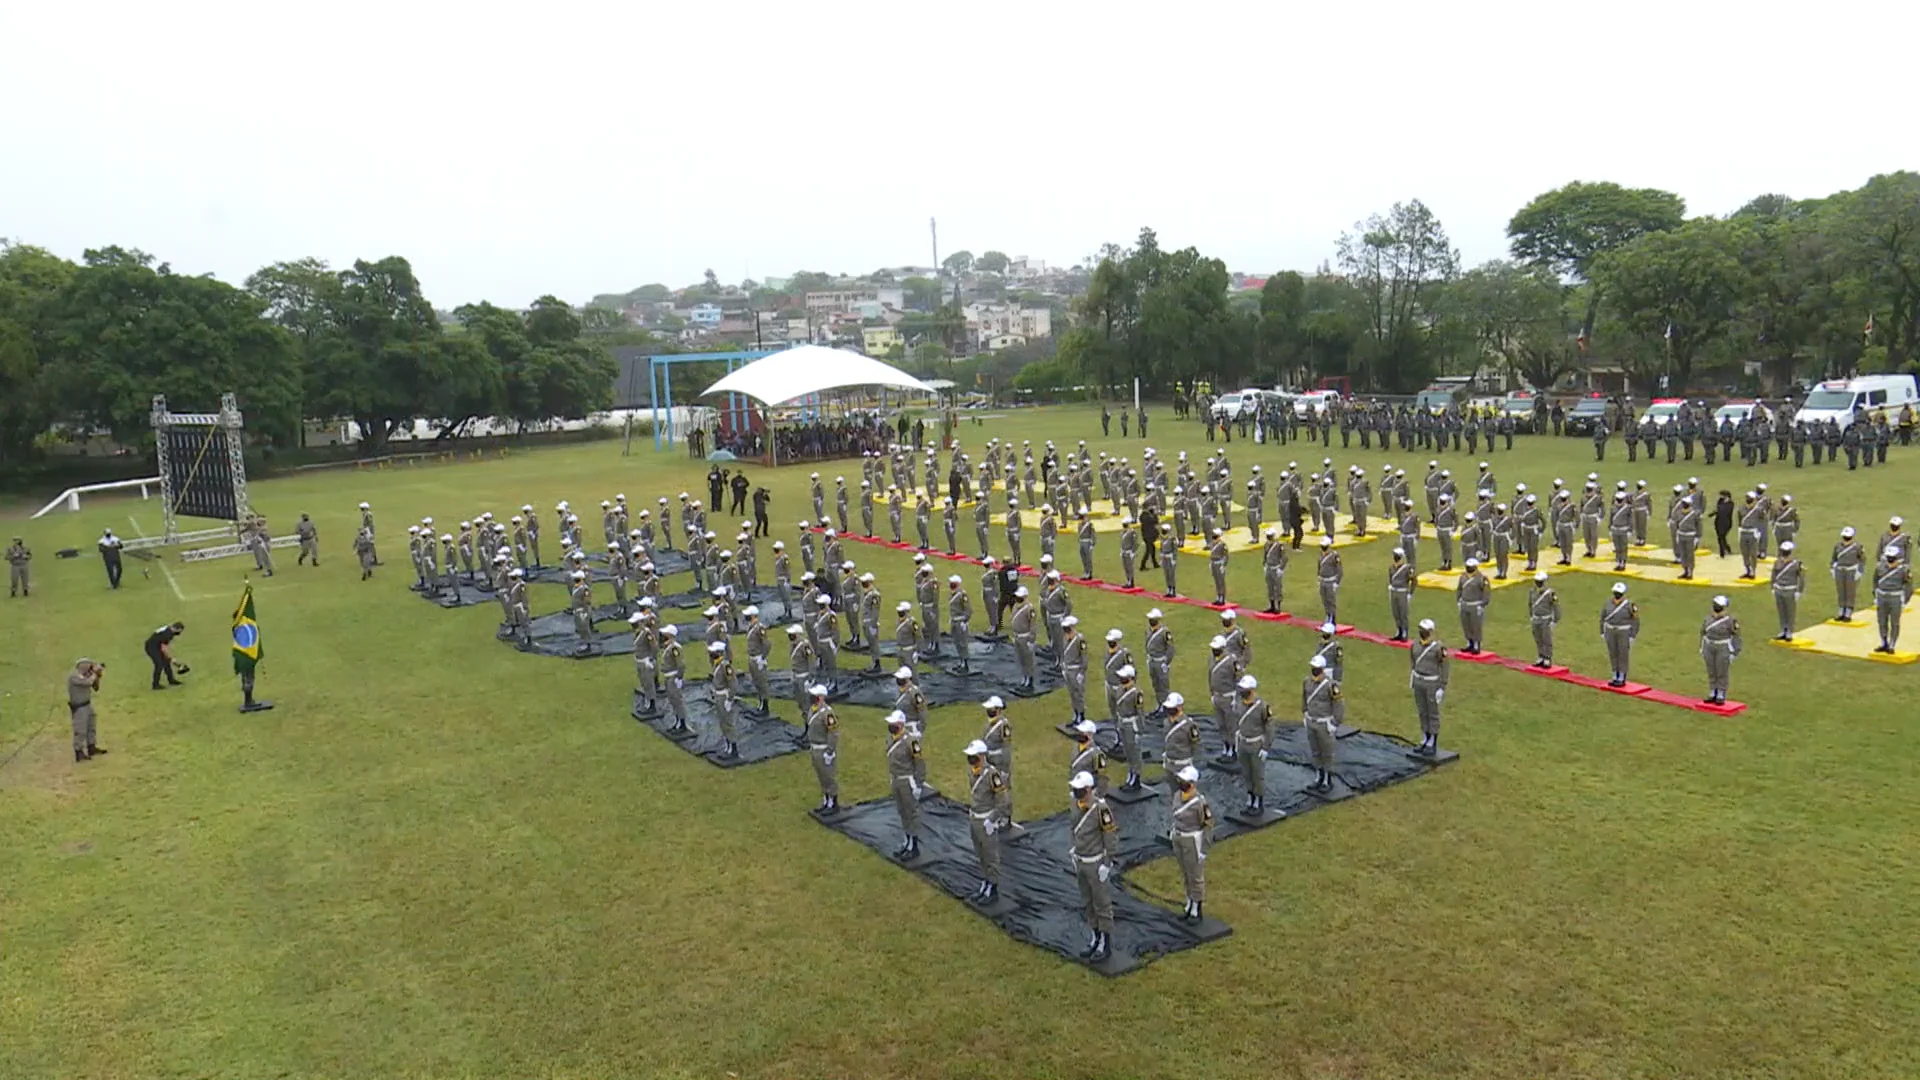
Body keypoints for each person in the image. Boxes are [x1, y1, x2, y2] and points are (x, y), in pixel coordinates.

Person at [1067, 770, 1118, 962]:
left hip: (1095, 863)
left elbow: (1110, 838)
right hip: (1080, 860)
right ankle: (1095, 936)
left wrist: (1107, 863)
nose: (1076, 792)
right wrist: (1074, 849)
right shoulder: (1075, 804)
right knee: (1088, 902)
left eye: (1080, 790)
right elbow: (1073, 829)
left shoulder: (1100, 809)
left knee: (1101, 903)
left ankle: (1105, 942)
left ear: (1089, 789)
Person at [965, 740, 1012, 903]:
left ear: (982, 756)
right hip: (975, 817)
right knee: (980, 853)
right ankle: (985, 881)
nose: (971, 760)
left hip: (986, 819)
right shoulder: (972, 771)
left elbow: (1003, 800)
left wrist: (993, 820)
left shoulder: (992, 775)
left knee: (990, 855)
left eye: (974, 757)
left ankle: (993, 886)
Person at [1168, 763, 1211, 922]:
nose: (1181, 783)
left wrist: (1204, 850)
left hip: (1192, 840)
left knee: (1195, 874)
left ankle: (1196, 907)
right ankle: (1189, 901)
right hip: (1179, 837)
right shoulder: (1177, 796)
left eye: (1184, 781)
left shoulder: (1200, 803)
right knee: (1185, 872)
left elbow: (1207, 826)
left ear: (1193, 783)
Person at [1232, 674, 1274, 814]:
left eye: (1245, 689)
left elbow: (1269, 728)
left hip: (1256, 744)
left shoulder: (1262, 706)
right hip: (1243, 742)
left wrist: (1266, 747)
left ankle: (1259, 803)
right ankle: (1250, 799)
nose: (1242, 692)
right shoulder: (1239, 703)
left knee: (1257, 774)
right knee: (1246, 773)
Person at [1302, 655, 1343, 792]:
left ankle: (1327, 779)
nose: (1314, 670)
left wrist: (1335, 722)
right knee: (1315, 751)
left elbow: (1338, 705)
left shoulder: (1331, 685)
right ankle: (1318, 776)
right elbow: (1304, 697)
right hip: (1311, 720)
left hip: (1324, 723)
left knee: (1327, 752)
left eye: (1316, 668)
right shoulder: (1307, 681)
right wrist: (1305, 713)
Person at [1409, 618, 1450, 755]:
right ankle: (1425, 736)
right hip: (1419, 681)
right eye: (1421, 630)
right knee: (1422, 710)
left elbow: (1444, 668)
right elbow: (1413, 661)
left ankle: (1433, 738)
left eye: (1425, 631)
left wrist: (1442, 687)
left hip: (1432, 683)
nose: (1422, 632)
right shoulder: (1415, 644)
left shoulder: (1438, 648)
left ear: (1431, 632)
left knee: (1432, 712)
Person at [1699, 596, 1741, 705]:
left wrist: (1734, 652)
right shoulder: (1708, 619)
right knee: (1711, 670)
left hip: (1723, 647)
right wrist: (1702, 648)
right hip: (1709, 646)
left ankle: (1721, 693)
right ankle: (1713, 691)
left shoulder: (1730, 621)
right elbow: (1703, 633)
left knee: (1721, 671)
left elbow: (1736, 637)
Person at [805, 685, 839, 812]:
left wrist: (830, 751)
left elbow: (833, 733)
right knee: (821, 775)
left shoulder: (827, 713)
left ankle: (833, 803)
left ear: (820, 697)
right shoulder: (813, 709)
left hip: (823, 748)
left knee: (828, 776)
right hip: (815, 747)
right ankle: (826, 800)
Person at [1600, 582, 1640, 687]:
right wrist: (1602, 631)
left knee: (1623, 654)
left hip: (1624, 632)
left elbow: (1635, 621)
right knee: (1613, 653)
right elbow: (1602, 617)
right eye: (1616, 592)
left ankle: (1622, 676)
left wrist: (1632, 635)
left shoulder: (1630, 605)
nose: (1617, 594)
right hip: (1610, 630)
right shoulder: (1608, 603)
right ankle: (1614, 674)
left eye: (1619, 593)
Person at [1874, 550, 1913, 654]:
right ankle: (1883, 642)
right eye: (1889, 558)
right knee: (1882, 621)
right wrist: (1875, 595)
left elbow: (1909, 586)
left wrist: (1904, 601)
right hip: (1882, 596)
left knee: (1894, 622)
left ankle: (1892, 645)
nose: (1890, 561)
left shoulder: (1903, 570)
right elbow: (1875, 581)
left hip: (1895, 597)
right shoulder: (1879, 567)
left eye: (1892, 558)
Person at [68, 657, 106, 762]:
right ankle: (79, 751)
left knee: (91, 726)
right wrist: (94, 674)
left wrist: (98, 676)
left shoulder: (86, 675)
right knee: (80, 730)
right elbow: (87, 683)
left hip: (87, 705)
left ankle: (91, 746)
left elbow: (95, 687)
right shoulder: (74, 676)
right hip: (79, 706)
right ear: (82, 666)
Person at [1527, 571, 1561, 667]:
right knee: (1538, 638)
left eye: (1540, 581)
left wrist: (1555, 620)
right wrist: (1531, 616)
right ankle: (1540, 656)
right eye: (1537, 581)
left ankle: (1547, 658)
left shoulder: (1550, 593)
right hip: (1536, 618)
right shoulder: (1532, 591)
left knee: (1546, 639)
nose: (1538, 583)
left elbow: (1556, 607)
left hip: (1545, 619)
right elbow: (1530, 604)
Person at [1832, 526, 1865, 622]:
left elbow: (1862, 559)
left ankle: (1848, 611)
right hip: (1840, 570)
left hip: (1851, 570)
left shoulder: (1857, 547)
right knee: (1841, 591)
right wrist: (1832, 569)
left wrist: (1859, 571)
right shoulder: (1838, 546)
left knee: (1850, 592)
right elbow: (1834, 559)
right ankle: (1841, 610)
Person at [144, 621, 185, 689]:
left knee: (166, 662)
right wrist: (171, 658)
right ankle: (155, 685)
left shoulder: (168, 629)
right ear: (176, 629)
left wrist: (168, 658)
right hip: (151, 648)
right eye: (179, 631)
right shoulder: (168, 634)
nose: (179, 633)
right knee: (159, 665)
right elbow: (164, 648)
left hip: (156, 646)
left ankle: (171, 680)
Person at [1713, 491, 1736, 559]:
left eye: (1722, 495)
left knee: (1721, 537)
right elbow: (1718, 508)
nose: (1721, 497)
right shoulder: (1720, 501)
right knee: (1721, 537)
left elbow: (1726, 511)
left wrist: (1718, 510)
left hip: (1726, 523)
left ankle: (1722, 553)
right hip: (1718, 522)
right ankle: (1727, 549)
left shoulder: (1731, 503)